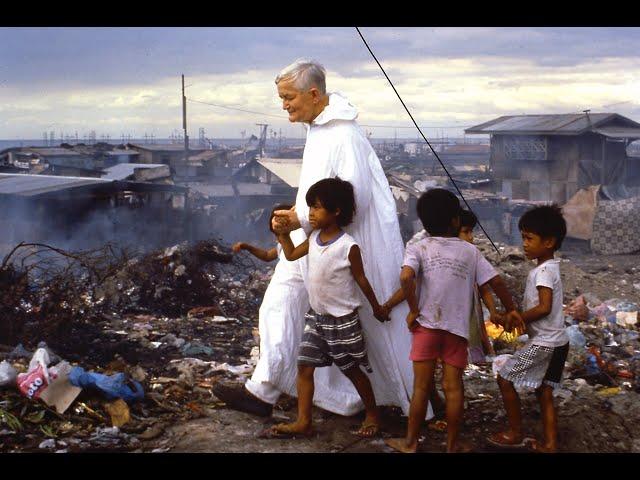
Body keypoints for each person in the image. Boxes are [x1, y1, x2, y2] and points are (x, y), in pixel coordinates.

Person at [212, 59, 418, 420]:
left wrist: (300, 217)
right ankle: (268, 390)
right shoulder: (320, 131)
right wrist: (295, 217)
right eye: (281, 98)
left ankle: (368, 400)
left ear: (313, 93)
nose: (285, 105)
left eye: (289, 97)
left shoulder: (344, 135)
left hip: (334, 245)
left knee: (321, 317)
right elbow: (319, 189)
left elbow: (354, 197)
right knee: (283, 307)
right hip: (313, 240)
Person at [383, 188, 522, 453]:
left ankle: (411, 442)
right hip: (457, 330)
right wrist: (511, 308)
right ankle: (452, 445)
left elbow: (405, 278)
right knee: (453, 388)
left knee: (421, 387)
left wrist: (413, 309)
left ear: (424, 222)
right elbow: (495, 282)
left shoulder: (418, 247)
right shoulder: (470, 252)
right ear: (456, 221)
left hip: (426, 326)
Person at [264, 177, 386, 438]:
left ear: (336, 211)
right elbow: (293, 254)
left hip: (342, 321)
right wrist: (283, 235)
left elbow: (362, 279)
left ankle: (372, 413)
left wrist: (377, 307)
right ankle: (303, 421)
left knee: (352, 369)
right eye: (310, 208)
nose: (311, 213)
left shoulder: (347, 246)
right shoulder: (315, 237)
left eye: (317, 208)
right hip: (317, 317)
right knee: (304, 367)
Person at [487, 205, 569, 453]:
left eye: (529, 238)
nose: (524, 244)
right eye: (523, 237)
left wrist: (519, 317)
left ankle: (514, 432)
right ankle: (551, 445)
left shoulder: (543, 271)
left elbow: (544, 307)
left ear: (549, 242)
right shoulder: (551, 268)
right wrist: (514, 319)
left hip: (546, 343)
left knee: (504, 379)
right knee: (545, 392)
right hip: (559, 342)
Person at [459, 209, 497, 363]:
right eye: (466, 232)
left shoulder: (471, 257)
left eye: (471, 232)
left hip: (472, 327)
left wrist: (493, 312)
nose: (471, 237)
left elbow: (483, 290)